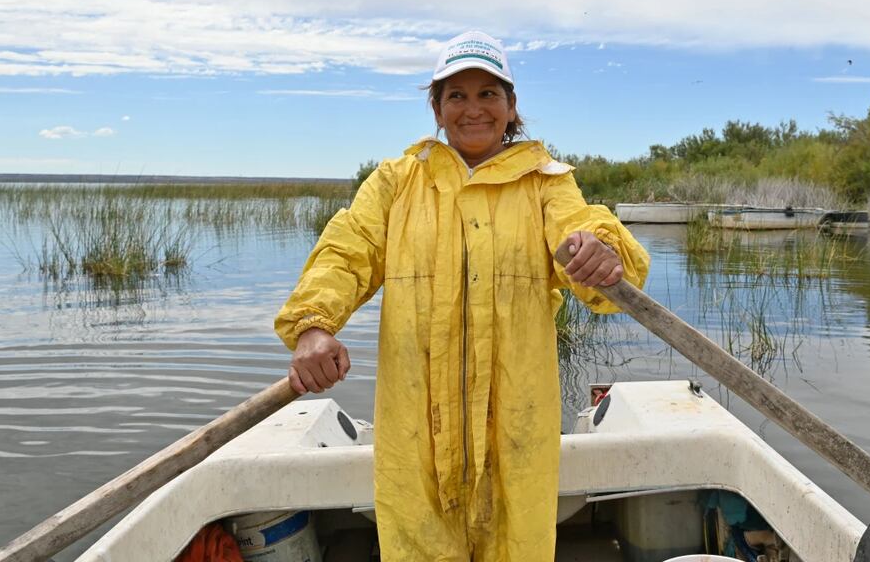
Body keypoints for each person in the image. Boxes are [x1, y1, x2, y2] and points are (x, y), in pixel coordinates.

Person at [275, 30, 650, 561]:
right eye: (457, 95)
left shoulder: (546, 184)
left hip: (516, 435)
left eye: (488, 94)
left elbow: (586, 240)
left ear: (511, 106)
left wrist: (602, 253)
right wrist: (314, 325)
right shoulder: (397, 182)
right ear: (437, 107)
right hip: (416, 438)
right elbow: (346, 251)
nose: (473, 109)